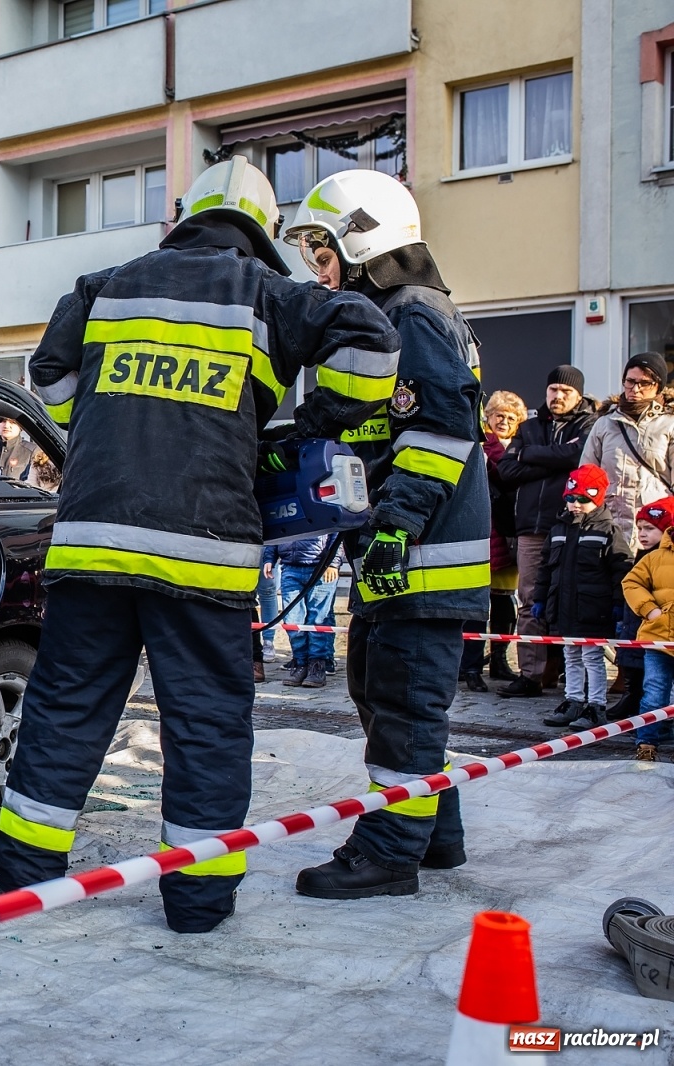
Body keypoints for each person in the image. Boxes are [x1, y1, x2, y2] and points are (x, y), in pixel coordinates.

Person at [0, 156, 400, 934]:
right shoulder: (271, 293)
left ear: (185, 216)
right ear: (260, 230)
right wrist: (310, 424)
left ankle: (21, 887)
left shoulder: (108, 283)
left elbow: (46, 374)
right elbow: (371, 341)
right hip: (203, 550)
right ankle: (198, 902)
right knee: (207, 725)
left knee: (64, 710)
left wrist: (105, 426)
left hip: (90, 544)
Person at [282, 168, 489, 901]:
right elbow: (362, 425)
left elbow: (439, 431)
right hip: (394, 557)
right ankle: (437, 833)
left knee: (402, 703)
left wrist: (396, 527)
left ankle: (391, 851)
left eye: (323, 250)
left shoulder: (413, 314)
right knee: (385, 693)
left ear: (367, 239)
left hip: (421, 559)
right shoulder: (387, 317)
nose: (318, 268)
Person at [495, 366, 599, 698]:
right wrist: (554, 460)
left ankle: (575, 675)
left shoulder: (589, 425)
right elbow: (507, 469)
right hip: (531, 527)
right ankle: (531, 675)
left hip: (573, 526)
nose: (557, 396)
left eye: (565, 391)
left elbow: (577, 456)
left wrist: (530, 455)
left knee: (573, 600)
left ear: (578, 396)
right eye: (553, 389)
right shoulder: (528, 426)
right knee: (529, 600)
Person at [534, 465, 632, 730]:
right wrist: (540, 599)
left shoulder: (608, 531)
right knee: (571, 655)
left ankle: (595, 705)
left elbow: (621, 570)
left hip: (593, 608)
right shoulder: (558, 530)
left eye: (582, 499)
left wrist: (617, 603)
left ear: (597, 498)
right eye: (570, 498)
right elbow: (545, 568)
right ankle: (573, 700)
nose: (575, 504)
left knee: (592, 657)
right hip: (564, 607)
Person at [460, 392, 525, 691]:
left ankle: (499, 659)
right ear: (488, 416)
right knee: (475, 602)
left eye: (511, 417)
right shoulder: (478, 441)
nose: (504, 421)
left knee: (504, 601)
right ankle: (470, 666)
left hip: (508, 533)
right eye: (499, 414)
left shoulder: (523, 448)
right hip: (481, 531)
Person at [581, 354, 674, 556]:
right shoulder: (604, 423)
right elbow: (586, 477)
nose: (635, 389)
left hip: (656, 526)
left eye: (645, 383)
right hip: (609, 525)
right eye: (630, 381)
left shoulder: (670, 424)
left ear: (658, 386)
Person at [621, 497, 674, 761]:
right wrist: (650, 609)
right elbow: (631, 583)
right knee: (654, 692)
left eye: (648, 527)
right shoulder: (655, 558)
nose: (642, 533)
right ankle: (646, 742)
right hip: (658, 640)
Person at [261, 536, 339, 688]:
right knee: (292, 621)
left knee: (318, 621)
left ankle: (317, 666)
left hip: (321, 567)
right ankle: (300, 663)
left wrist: (333, 562)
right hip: (290, 567)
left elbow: (337, 532)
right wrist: (269, 557)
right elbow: (278, 531)